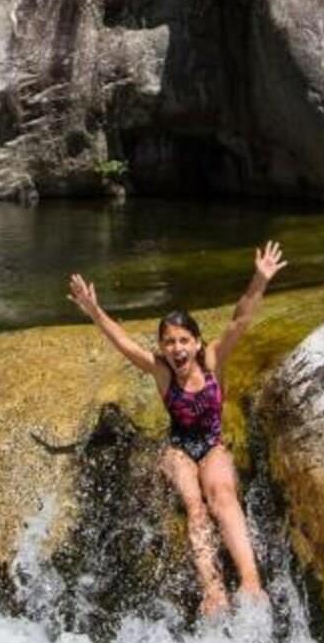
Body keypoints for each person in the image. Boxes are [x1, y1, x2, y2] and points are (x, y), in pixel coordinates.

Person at [68, 241, 286, 615]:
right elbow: (122, 341)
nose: (177, 348)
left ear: (197, 343)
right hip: (179, 449)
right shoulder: (161, 371)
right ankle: (213, 589)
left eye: (184, 340)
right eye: (169, 342)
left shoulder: (213, 360)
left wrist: (260, 279)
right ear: (162, 347)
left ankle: (250, 580)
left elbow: (239, 320)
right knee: (195, 506)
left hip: (212, 445)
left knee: (223, 495)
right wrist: (94, 310)